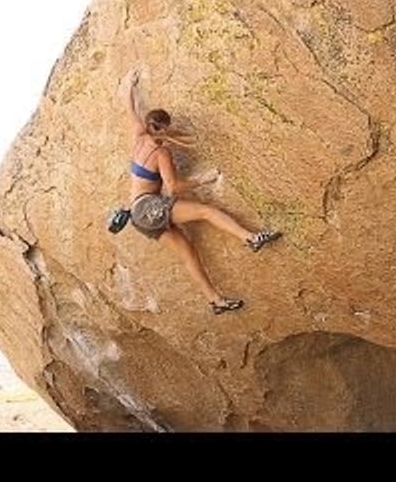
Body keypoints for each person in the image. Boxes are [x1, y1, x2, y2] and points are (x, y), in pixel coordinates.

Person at [118, 69, 281, 314]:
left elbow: (128, 106)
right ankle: (250, 238)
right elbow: (172, 188)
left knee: (188, 253)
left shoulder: (140, 135)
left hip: (139, 217)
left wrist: (130, 84)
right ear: (163, 129)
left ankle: (216, 301)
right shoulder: (161, 153)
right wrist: (203, 180)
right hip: (149, 208)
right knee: (206, 212)